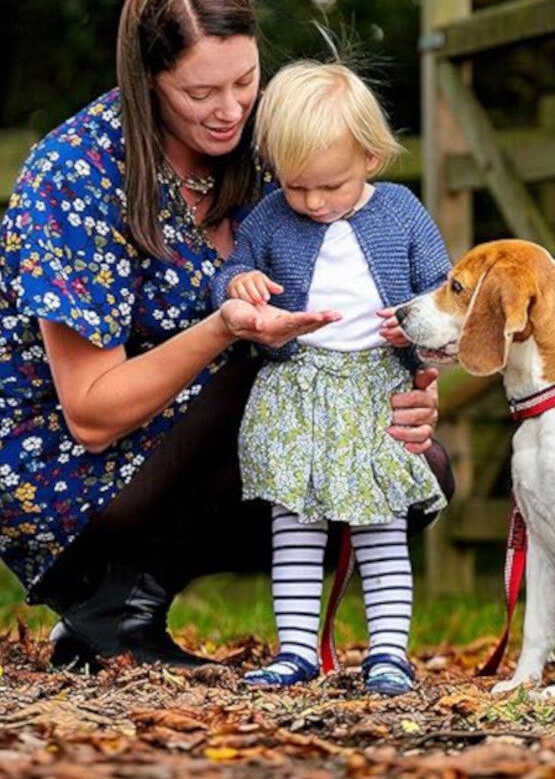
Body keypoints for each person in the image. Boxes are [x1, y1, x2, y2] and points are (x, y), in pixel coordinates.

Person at [0, 0, 452, 672]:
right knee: (261, 384)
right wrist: (225, 324)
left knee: (420, 469)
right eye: (201, 92)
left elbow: (350, 304)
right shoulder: (75, 173)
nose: (230, 109)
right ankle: (111, 599)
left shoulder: (264, 158)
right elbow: (90, 414)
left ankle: (126, 606)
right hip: (49, 462)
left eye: (245, 81)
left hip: (183, 439)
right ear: (148, 80)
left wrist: (415, 391)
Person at [210, 60, 451, 696]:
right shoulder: (268, 216)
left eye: (330, 187)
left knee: (381, 526)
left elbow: (439, 289)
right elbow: (230, 274)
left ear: (371, 158)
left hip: (375, 390)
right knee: (294, 525)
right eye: (297, 189)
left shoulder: (401, 212)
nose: (313, 203)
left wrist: (416, 331)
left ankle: (389, 653)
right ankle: (296, 650)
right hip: (297, 389)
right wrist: (242, 285)